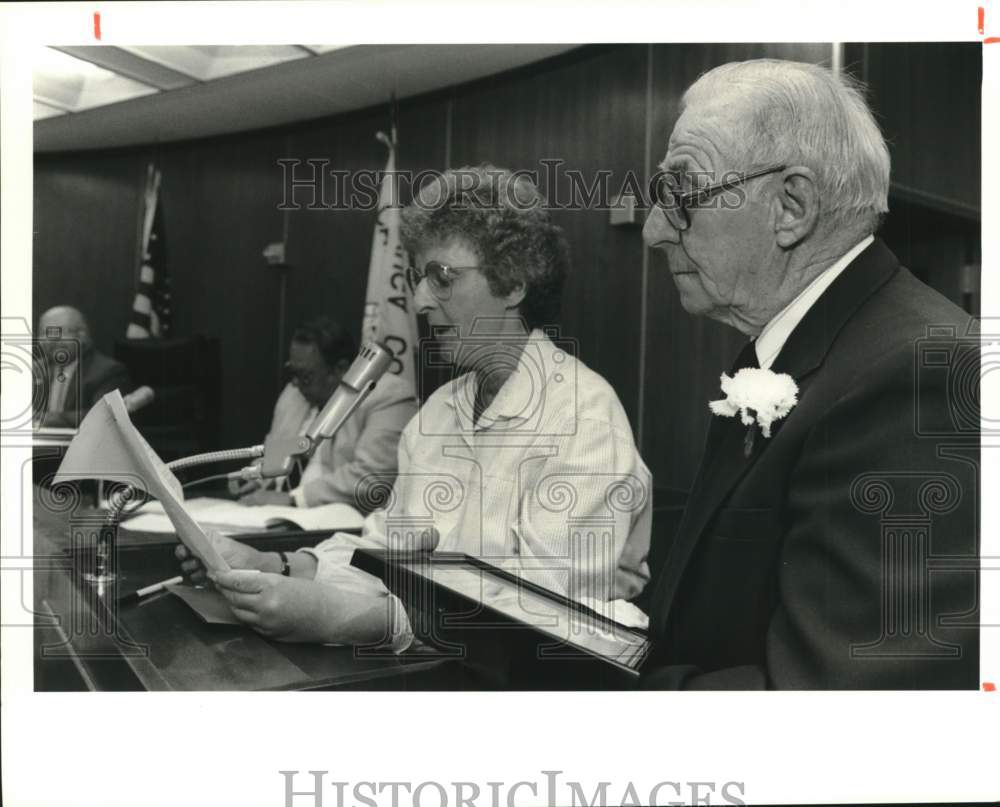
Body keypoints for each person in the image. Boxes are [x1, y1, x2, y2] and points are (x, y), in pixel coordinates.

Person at [178, 166, 652, 652]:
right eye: (417, 278)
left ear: (514, 284)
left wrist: (362, 620)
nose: (420, 300)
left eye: (441, 277)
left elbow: (541, 610)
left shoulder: (583, 416)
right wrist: (275, 566)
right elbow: (384, 553)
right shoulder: (438, 412)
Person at [640, 59, 978, 689]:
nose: (654, 231)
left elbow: (838, 700)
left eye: (680, 196)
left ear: (790, 206)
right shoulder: (783, 354)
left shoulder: (920, 373)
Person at [236, 316, 417, 513]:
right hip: (273, 515)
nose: (295, 383)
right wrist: (256, 476)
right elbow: (276, 454)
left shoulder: (387, 395)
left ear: (341, 369)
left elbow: (370, 478)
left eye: (306, 376)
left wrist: (293, 499)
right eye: (293, 372)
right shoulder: (294, 394)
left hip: (344, 524)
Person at [34, 306, 133, 428]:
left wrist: (48, 419)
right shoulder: (33, 370)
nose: (51, 340)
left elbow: (103, 416)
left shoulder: (108, 371)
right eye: (45, 334)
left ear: (82, 335)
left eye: (58, 333)